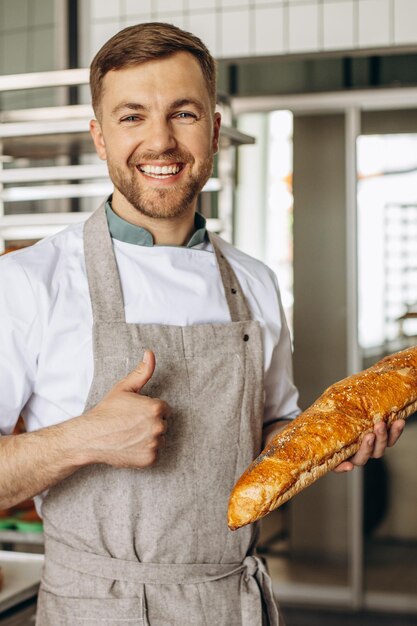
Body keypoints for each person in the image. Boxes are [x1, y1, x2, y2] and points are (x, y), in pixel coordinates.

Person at [0, 22, 404, 626]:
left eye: (183, 113)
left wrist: (330, 442)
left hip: (231, 603)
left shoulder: (255, 282)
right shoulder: (28, 282)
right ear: (99, 136)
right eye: (131, 116)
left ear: (213, 130)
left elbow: (271, 438)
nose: (160, 141)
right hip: (96, 609)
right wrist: (86, 437)